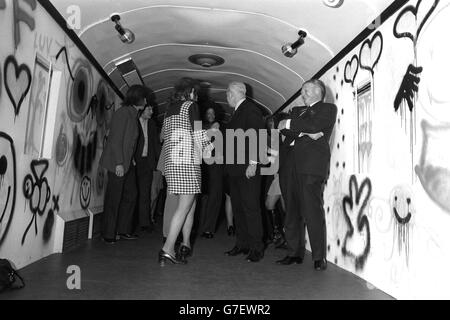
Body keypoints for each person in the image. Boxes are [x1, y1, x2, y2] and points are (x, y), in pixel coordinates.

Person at [277, 79, 337, 271]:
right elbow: (284, 128)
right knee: (291, 211)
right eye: (302, 90)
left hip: (311, 166)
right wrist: (305, 129)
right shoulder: (296, 112)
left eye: (307, 89)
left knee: (312, 211)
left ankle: (319, 257)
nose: (303, 93)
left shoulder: (327, 109)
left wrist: (296, 127)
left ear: (319, 91)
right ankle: (294, 253)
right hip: (289, 166)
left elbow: (313, 127)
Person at [159, 78, 213, 266]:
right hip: (188, 162)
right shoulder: (191, 106)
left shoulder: (168, 111)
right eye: (195, 93)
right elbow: (198, 134)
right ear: (189, 92)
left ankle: (185, 244)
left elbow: (164, 137)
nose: (196, 97)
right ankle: (168, 248)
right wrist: (209, 148)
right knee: (184, 208)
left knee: (189, 205)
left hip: (173, 162)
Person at [99, 85, 147, 243]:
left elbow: (130, 141)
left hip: (127, 162)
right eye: (144, 98)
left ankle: (123, 229)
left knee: (131, 194)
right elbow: (115, 140)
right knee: (114, 198)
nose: (146, 101)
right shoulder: (123, 113)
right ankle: (108, 234)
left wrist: (131, 158)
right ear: (137, 98)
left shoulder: (133, 115)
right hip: (117, 162)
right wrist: (119, 163)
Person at [224, 81, 265, 262]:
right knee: (239, 208)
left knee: (251, 208)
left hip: (247, 168)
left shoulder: (251, 109)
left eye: (228, 94)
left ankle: (257, 248)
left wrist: (253, 162)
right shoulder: (237, 112)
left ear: (235, 93)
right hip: (235, 169)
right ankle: (242, 244)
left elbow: (258, 135)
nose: (227, 98)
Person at [198, 104, 224, 239]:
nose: (211, 115)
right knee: (202, 197)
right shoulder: (199, 127)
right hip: (202, 165)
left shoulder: (220, 127)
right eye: (208, 112)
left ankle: (209, 228)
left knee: (215, 196)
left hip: (216, 166)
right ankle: (200, 226)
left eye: (213, 113)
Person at [134, 104, 160, 233]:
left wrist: (159, 163)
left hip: (147, 163)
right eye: (149, 109)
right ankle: (130, 222)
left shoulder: (152, 124)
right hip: (134, 162)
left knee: (146, 193)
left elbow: (155, 144)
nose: (152, 111)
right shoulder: (133, 121)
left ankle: (144, 222)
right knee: (133, 192)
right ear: (142, 109)